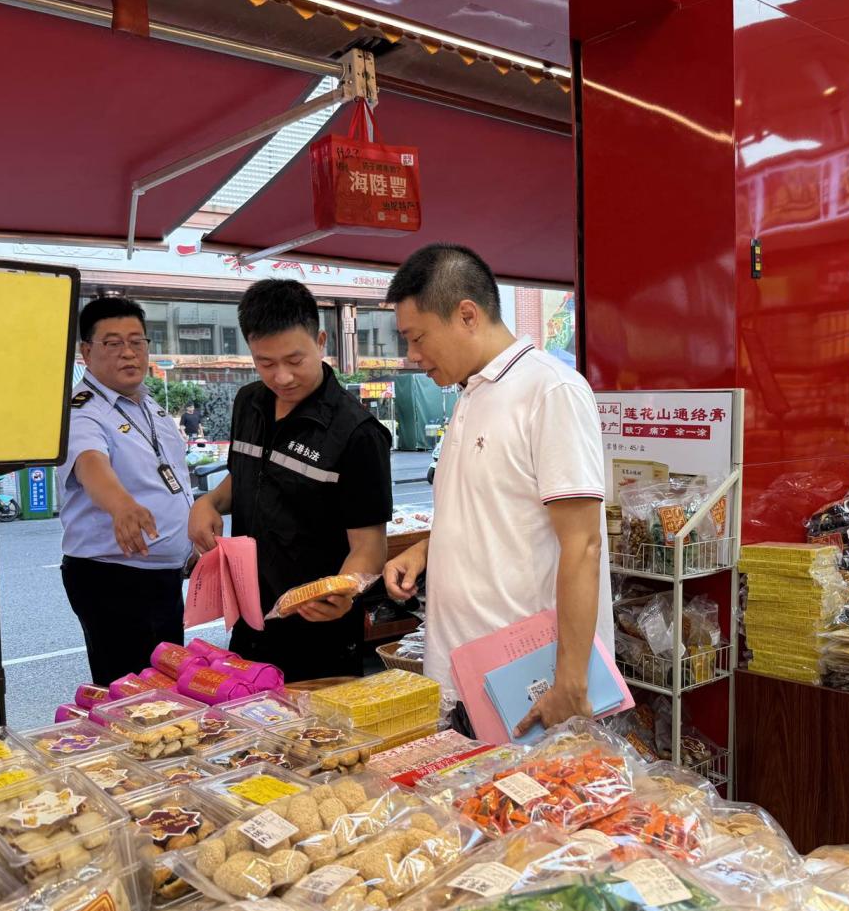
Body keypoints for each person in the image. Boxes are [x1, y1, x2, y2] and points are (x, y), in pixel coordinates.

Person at [383, 244, 613, 737]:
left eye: (417, 337)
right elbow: (493, 511)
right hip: (464, 678)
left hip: (530, 689)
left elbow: (583, 544)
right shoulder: (471, 392)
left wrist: (570, 683)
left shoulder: (550, 390)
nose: (412, 355)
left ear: (467, 315)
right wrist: (425, 551)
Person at [188, 280, 392, 681]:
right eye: (265, 363)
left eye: (295, 360)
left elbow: (370, 548)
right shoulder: (249, 402)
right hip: (250, 623)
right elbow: (246, 477)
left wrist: (346, 589)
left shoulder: (357, 433)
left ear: (320, 341)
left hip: (318, 633)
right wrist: (208, 502)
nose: (282, 377)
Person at [58, 295, 193, 685]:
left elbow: (170, 479)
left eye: (137, 342)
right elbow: (90, 463)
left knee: (169, 691)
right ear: (86, 352)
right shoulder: (81, 410)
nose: (129, 353)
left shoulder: (149, 406)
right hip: (113, 578)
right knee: (131, 697)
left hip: (163, 577)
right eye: (113, 343)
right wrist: (121, 506)